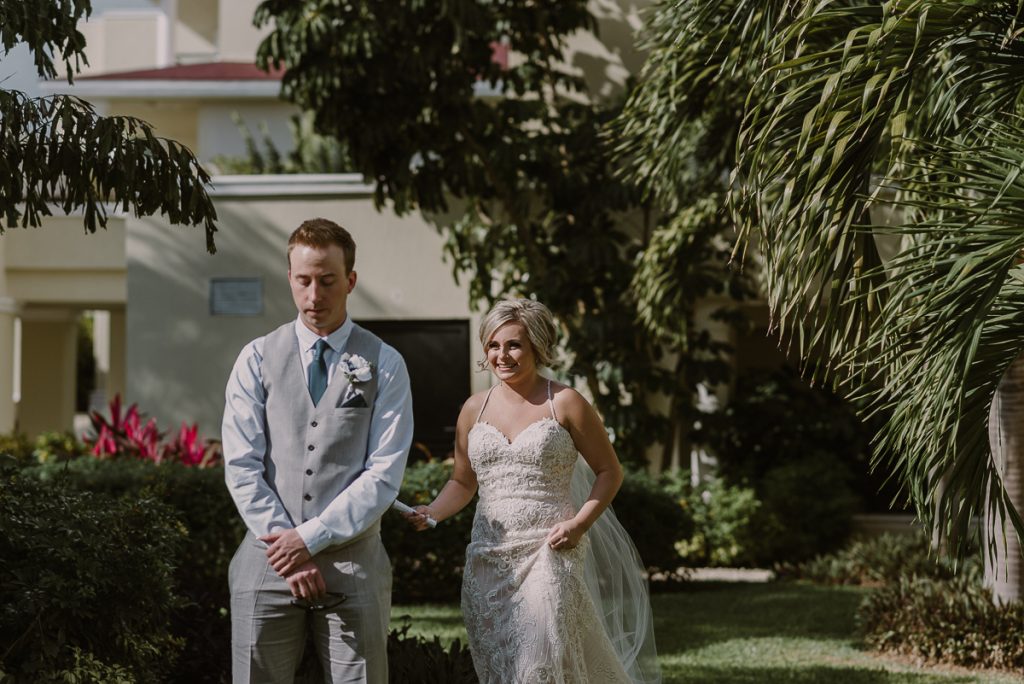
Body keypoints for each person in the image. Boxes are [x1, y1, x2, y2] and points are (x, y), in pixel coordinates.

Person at [404, 298, 660, 683]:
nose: (501, 355)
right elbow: (462, 481)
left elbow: (610, 471)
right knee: (501, 669)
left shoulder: (566, 403)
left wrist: (578, 525)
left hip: (551, 551)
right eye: (493, 345)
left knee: (537, 665)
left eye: (513, 344)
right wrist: (433, 512)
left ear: (537, 346)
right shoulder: (473, 409)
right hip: (488, 559)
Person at [222, 218, 413, 684]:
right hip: (267, 561)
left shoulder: (384, 362)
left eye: (327, 281)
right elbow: (242, 464)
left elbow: (384, 473)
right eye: (303, 281)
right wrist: (288, 548)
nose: (314, 297)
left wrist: (309, 540)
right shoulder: (254, 358)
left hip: (354, 564)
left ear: (350, 280)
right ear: (289, 277)